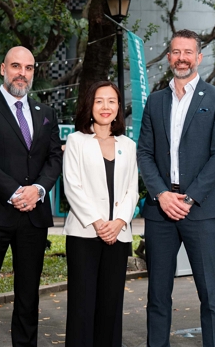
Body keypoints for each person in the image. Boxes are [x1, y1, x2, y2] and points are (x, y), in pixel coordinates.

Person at [137, 29, 215, 347]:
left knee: (210, 294)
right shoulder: (155, 101)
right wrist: (162, 194)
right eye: (176, 52)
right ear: (169, 57)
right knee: (157, 294)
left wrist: (189, 197)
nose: (182, 58)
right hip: (161, 210)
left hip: (202, 210)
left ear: (199, 57)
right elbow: (144, 153)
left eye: (188, 52)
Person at [0, 46, 63, 347]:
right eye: (16, 66)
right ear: (3, 69)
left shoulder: (46, 113)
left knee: (28, 298)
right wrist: (15, 192)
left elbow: (54, 158)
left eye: (28, 68)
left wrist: (38, 190)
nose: (22, 73)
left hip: (33, 217)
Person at [62, 81, 140, 347]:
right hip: (84, 235)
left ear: (118, 107)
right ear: (89, 105)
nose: (105, 106)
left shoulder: (128, 145)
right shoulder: (76, 141)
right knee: (81, 307)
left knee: (111, 307)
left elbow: (132, 190)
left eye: (111, 101)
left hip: (118, 237)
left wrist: (119, 222)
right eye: (99, 101)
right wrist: (98, 223)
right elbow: (72, 186)